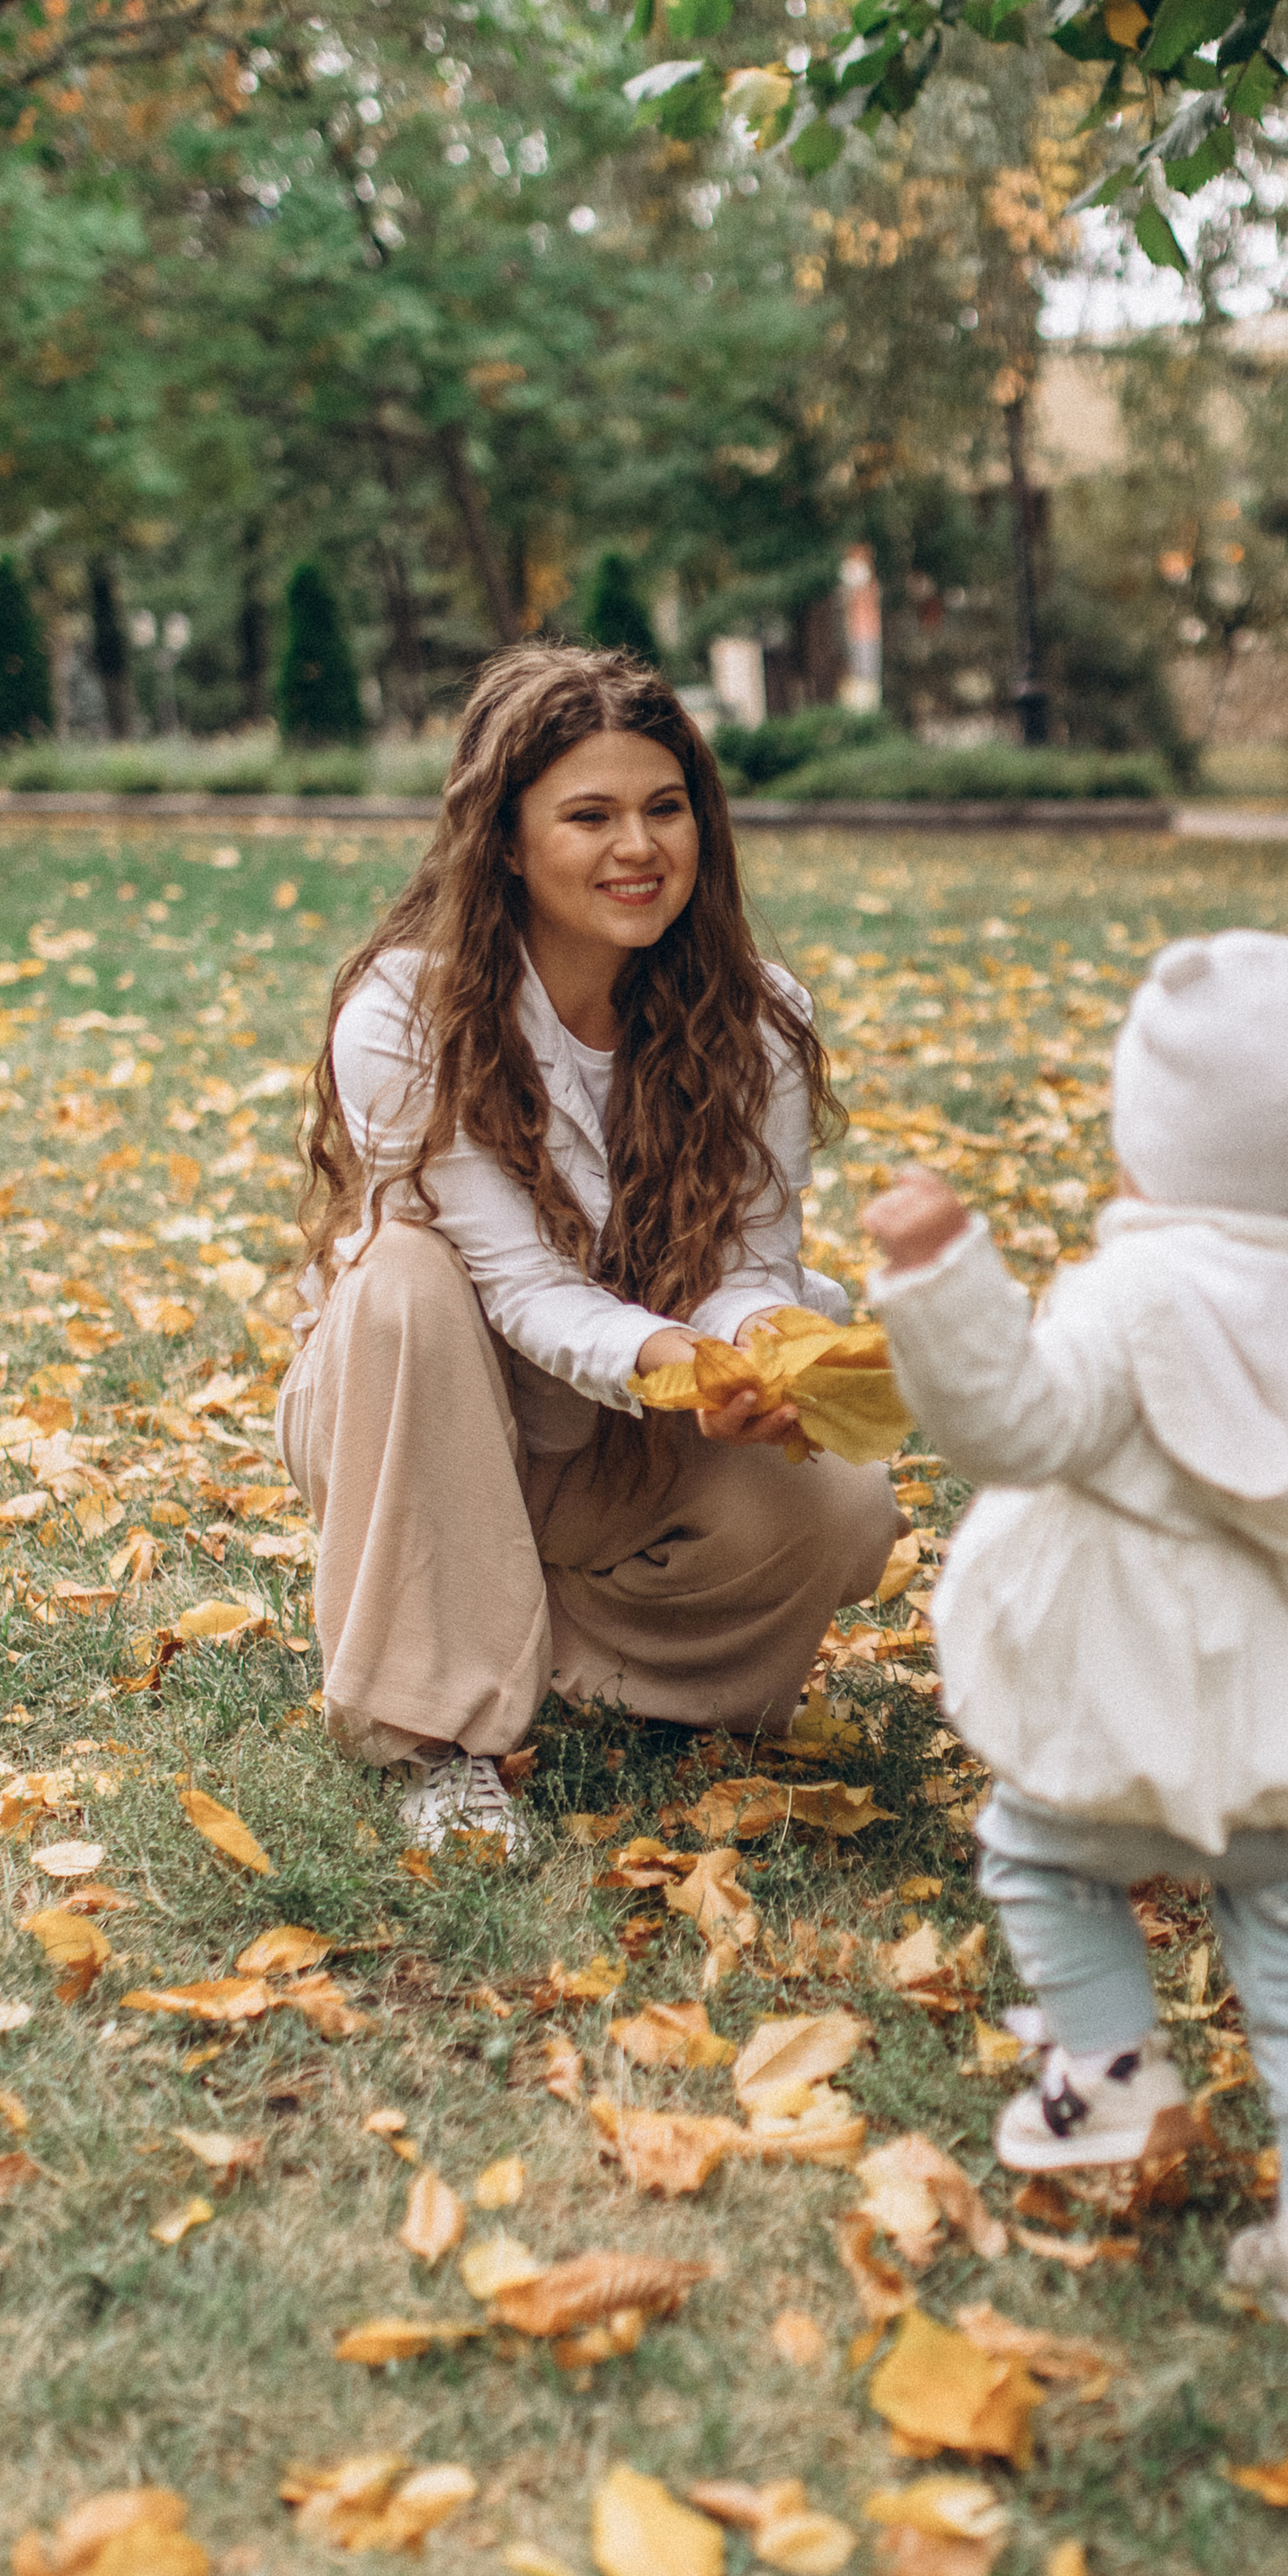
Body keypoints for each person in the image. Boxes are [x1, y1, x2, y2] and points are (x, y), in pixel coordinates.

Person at [862, 930, 1288, 2344]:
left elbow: (1016, 1424)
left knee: (1037, 1858)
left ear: (1153, 1134)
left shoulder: (1129, 1301)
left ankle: (1112, 2070)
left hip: (1122, 1729)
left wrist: (944, 1289)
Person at [279, 643, 901, 1858]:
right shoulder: (409, 1010)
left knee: (840, 1504)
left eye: (666, 809)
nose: (639, 847)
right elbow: (513, 1284)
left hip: (611, 1444)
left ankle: (544, 1642)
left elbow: (753, 1260)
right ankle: (437, 1735)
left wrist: (762, 1344)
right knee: (407, 1273)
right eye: (591, 815)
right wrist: (671, 1354)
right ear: (506, 840)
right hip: (415, 1407)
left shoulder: (758, 1016)